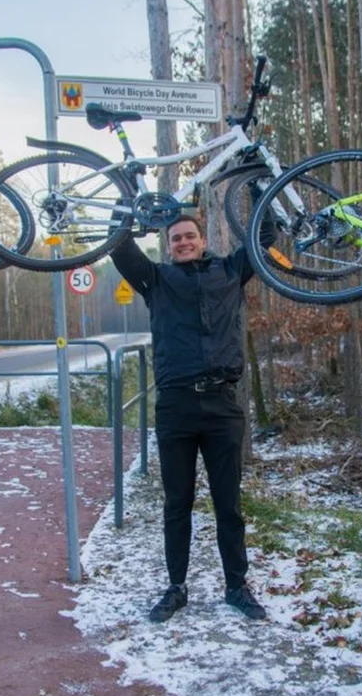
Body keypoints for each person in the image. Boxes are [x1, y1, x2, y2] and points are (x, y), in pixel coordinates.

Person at [111, 215, 267, 623]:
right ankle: (176, 587)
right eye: (176, 238)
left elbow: (264, 238)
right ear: (168, 245)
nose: (183, 243)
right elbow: (119, 246)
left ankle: (237, 586)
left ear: (203, 240)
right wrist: (127, 203)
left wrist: (266, 187)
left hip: (222, 406)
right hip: (176, 406)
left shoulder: (231, 271)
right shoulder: (155, 279)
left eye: (189, 237)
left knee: (228, 503)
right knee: (177, 503)